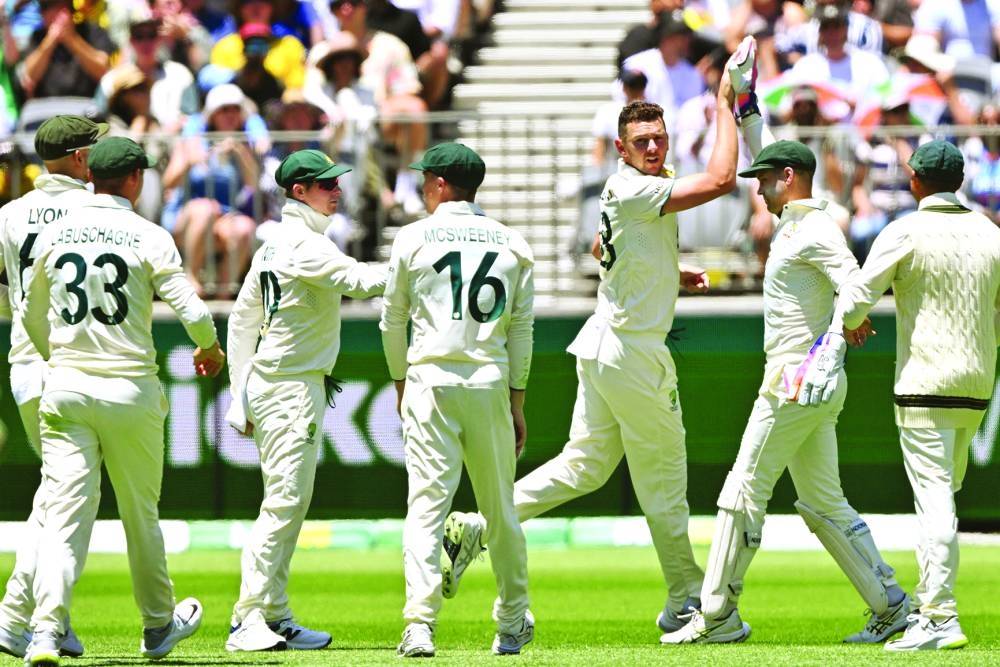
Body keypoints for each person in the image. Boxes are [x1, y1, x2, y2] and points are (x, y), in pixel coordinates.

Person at [442, 39, 744, 642]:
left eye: (659, 138)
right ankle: (688, 600)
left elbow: (600, 251)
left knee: (585, 466)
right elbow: (723, 178)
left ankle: (479, 524)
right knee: (667, 482)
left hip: (606, 343)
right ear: (620, 149)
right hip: (632, 351)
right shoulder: (634, 189)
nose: (655, 148)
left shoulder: (623, 189)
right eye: (643, 142)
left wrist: (666, 270)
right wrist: (723, 101)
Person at [661, 111, 909, 645]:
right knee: (823, 502)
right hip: (804, 381)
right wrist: (746, 108)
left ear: (789, 179)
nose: (760, 189)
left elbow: (854, 283)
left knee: (742, 489)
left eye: (766, 180)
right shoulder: (794, 220)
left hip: (797, 379)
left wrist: (839, 338)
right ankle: (890, 605)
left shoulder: (815, 228)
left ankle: (718, 612)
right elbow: (770, 147)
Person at [19, 136, 224, 664]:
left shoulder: (55, 232)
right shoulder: (147, 233)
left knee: (64, 519)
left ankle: (44, 630)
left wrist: (59, 358)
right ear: (133, 179)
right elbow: (191, 307)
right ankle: (157, 625)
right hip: (130, 389)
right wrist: (210, 349)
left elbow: (30, 315)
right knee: (140, 514)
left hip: (65, 388)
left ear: (92, 178)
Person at [833, 140, 1000, 652]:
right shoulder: (991, 232)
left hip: (926, 386)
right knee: (942, 499)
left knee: (933, 505)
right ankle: (933, 608)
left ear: (915, 180)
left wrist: (849, 324)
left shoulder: (904, 229)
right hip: (976, 386)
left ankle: (939, 616)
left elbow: (856, 299)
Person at [224, 148, 385, 653]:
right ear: (299, 192)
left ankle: (275, 613)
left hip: (283, 384)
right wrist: (422, 258)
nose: (337, 190)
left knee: (287, 501)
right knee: (285, 502)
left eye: (336, 183)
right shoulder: (302, 245)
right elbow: (361, 282)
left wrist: (239, 394)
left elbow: (241, 320)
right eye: (326, 184)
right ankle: (247, 616)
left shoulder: (277, 243)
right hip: (289, 387)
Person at [380, 142, 535, 658]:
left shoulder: (412, 237)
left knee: (425, 508)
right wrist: (517, 402)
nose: (423, 186)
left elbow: (392, 321)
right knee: (500, 509)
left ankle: (420, 624)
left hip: (429, 380)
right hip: (488, 380)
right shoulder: (513, 242)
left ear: (441, 184)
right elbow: (521, 331)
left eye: (427, 178)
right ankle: (513, 620)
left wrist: (401, 382)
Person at [0, 114, 104, 661]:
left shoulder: (10, 213)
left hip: (25, 364)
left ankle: (36, 617)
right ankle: (29, 618)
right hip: (75, 363)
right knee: (67, 501)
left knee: (56, 496)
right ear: (82, 159)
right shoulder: (95, 211)